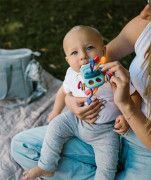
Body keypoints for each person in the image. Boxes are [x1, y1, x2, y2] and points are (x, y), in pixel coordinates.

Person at [11, 0, 151, 179]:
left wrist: (127, 108)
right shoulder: (146, 26)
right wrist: (69, 101)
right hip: (98, 127)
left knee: (107, 163)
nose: (144, 13)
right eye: (148, 2)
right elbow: (94, 59)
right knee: (22, 146)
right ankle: (57, 166)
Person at [19, 25, 141, 180]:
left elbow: (135, 95)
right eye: (74, 52)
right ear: (68, 60)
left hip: (106, 130)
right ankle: (47, 166)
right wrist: (55, 112)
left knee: (108, 162)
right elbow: (63, 92)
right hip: (75, 121)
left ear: (103, 51)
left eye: (89, 48)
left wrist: (126, 117)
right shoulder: (71, 74)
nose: (83, 56)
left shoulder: (113, 73)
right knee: (56, 126)